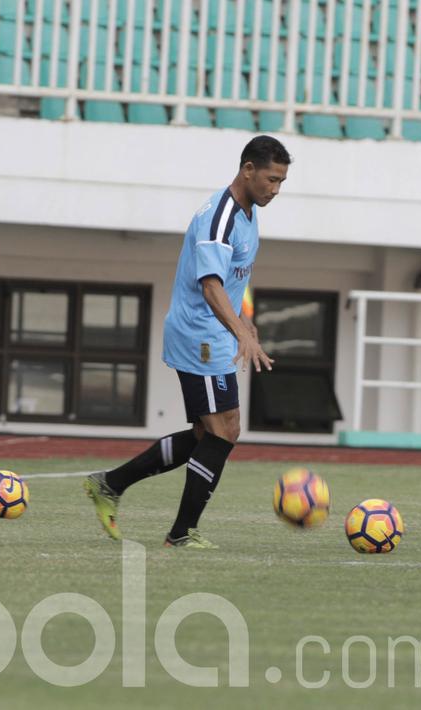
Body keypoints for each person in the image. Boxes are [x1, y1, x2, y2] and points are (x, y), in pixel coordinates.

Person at [83, 135, 290, 549]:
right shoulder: (221, 216)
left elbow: (233, 281)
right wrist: (238, 332)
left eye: (282, 181)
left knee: (206, 434)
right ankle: (179, 532)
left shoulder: (248, 213)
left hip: (211, 332)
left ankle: (111, 484)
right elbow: (210, 284)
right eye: (271, 179)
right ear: (247, 169)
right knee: (224, 432)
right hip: (201, 335)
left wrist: (246, 325)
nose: (276, 189)